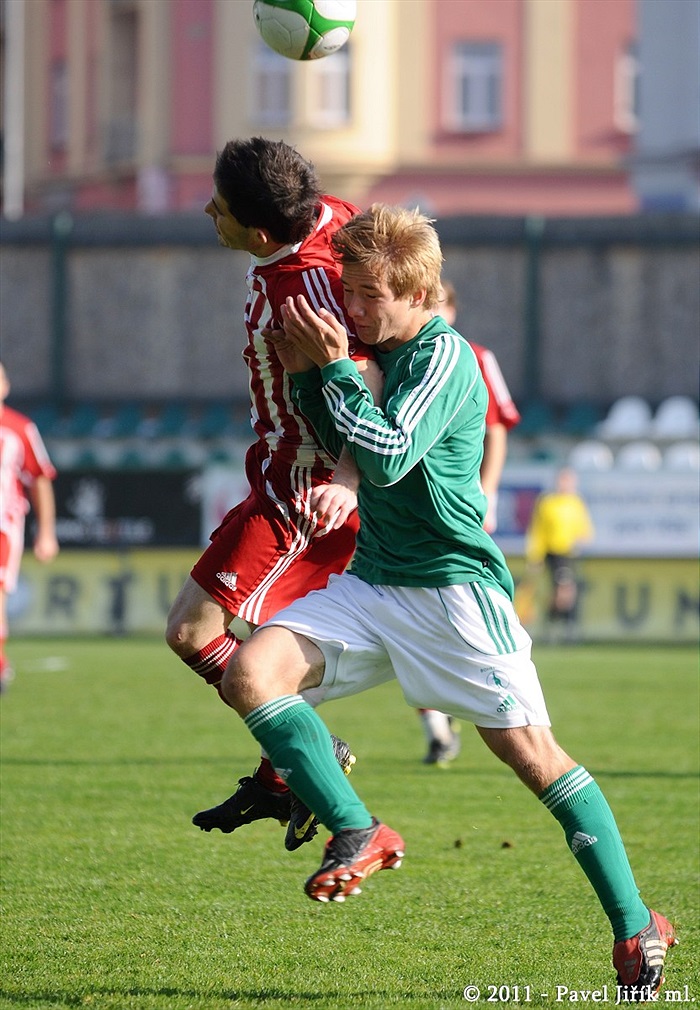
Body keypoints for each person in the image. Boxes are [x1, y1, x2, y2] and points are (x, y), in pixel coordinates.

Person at [218, 204, 676, 995]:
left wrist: (330, 370)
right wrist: (309, 374)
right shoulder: (374, 350)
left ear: (419, 293)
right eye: (347, 291)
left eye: (368, 295)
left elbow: (389, 456)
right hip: (373, 580)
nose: (352, 308)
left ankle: (637, 924)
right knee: (250, 674)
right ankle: (358, 827)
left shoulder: (443, 356)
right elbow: (343, 441)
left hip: (454, 592)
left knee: (533, 758)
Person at [165, 137, 382, 850]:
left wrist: (345, 478)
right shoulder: (328, 216)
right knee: (230, 643)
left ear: (259, 232)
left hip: (303, 488)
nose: (208, 212)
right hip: (278, 473)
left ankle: (307, 762)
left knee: (198, 634)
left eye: (219, 208)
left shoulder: (305, 290)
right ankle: (283, 769)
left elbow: (368, 380)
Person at [419, 281, 522, 765]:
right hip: (412, 510)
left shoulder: (477, 357)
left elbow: (496, 427)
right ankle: (437, 727)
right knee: (413, 616)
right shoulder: (395, 355)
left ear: (454, 310)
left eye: (440, 303)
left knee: (461, 614)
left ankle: (497, 699)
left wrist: (488, 491)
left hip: (462, 508)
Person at [0, 363, 59, 690]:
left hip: (3, 526)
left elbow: (39, 478)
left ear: (6, 386)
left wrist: (46, 532)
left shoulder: (19, 428)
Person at [524, 467, 594, 641]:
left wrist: (581, 538)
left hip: (569, 553)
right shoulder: (548, 503)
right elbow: (537, 531)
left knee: (566, 591)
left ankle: (559, 627)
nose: (566, 484)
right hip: (553, 553)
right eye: (563, 480)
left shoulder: (576, 502)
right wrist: (535, 556)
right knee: (562, 591)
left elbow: (585, 529)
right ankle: (557, 627)